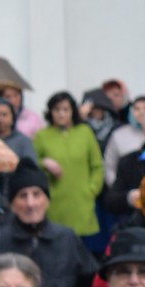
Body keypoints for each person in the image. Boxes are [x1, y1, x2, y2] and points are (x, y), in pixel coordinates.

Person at [34, 91, 107, 239]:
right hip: (54, 201)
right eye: (57, 109)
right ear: (50, 112)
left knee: (81, 244)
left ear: (73, 111)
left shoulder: (85, 132)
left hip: (81, 200)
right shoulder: (42, 136)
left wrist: (92, 190)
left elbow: (97, 165)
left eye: (66, 109)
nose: (61, 114)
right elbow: (31, 163)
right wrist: (44, 163)